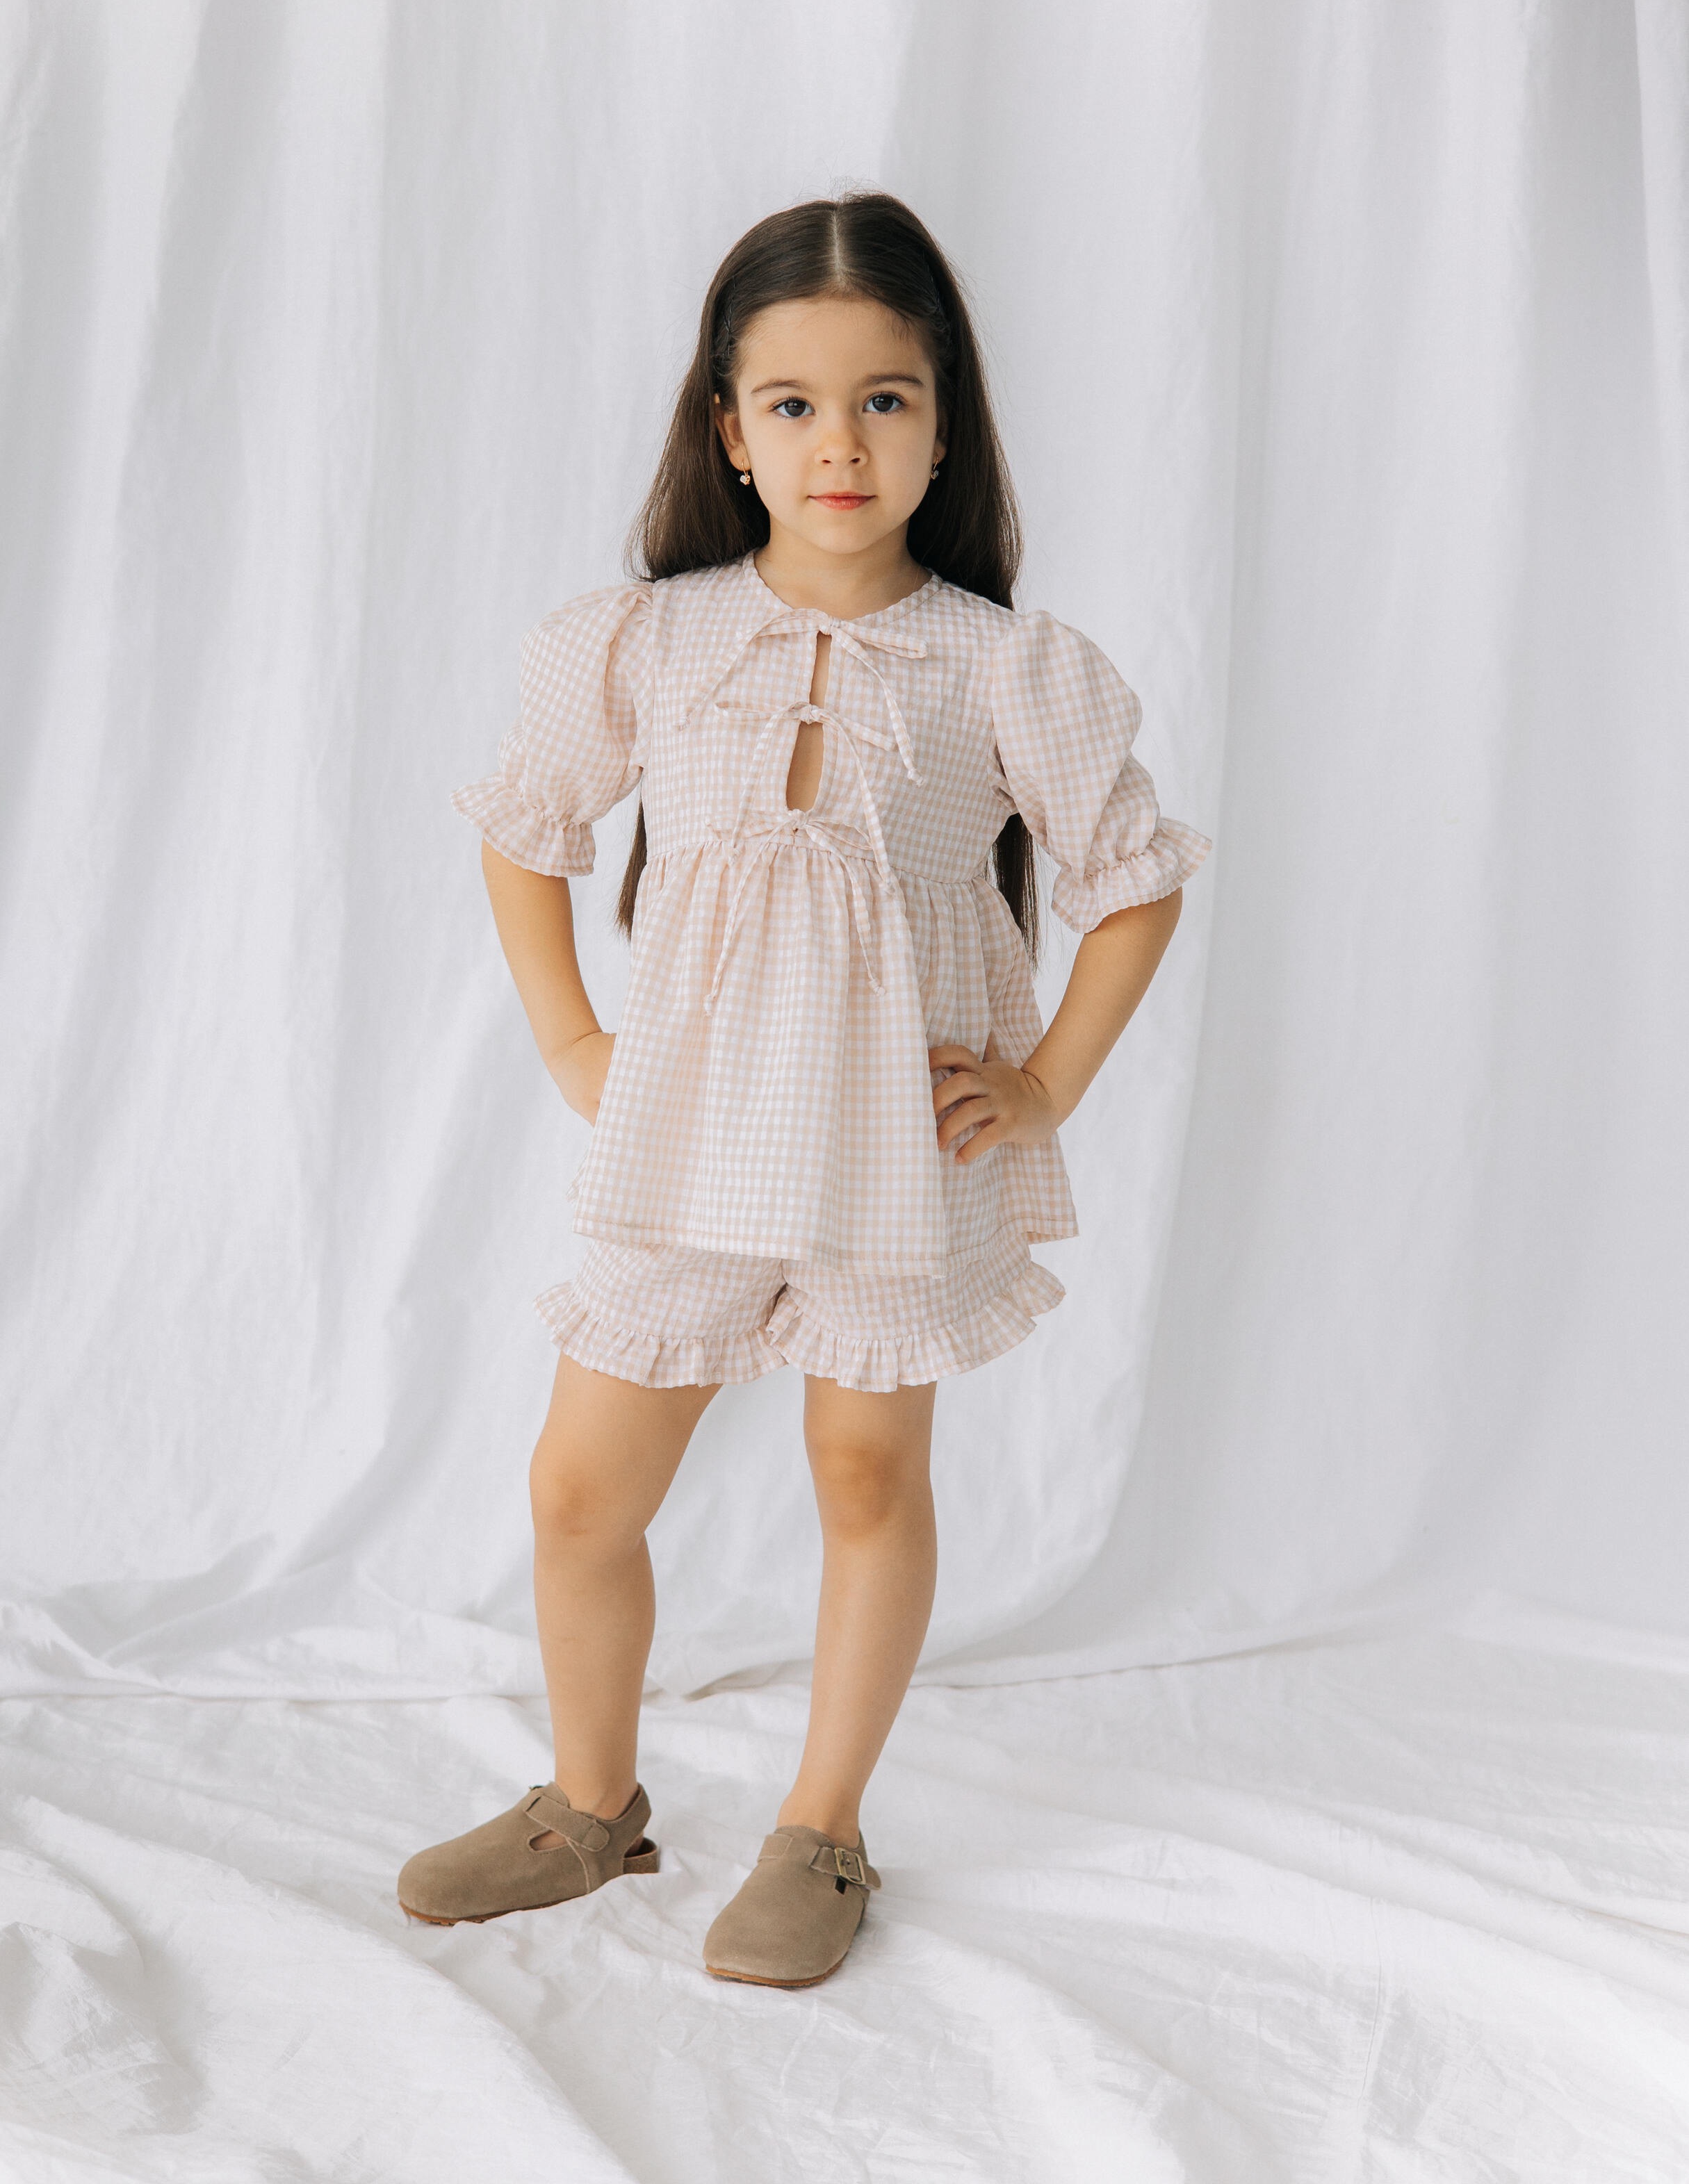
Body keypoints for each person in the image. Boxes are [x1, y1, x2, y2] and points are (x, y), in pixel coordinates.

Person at [398, 192, 1210, 1988]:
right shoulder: (643, 641)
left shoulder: (1010, 666)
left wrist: (1046, 1084)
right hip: (686, 1142)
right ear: (729, 431)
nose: (840, 444)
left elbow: (1134, 881)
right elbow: (526, 832)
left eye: (885, 401)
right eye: (793, 404)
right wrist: (575, 1043)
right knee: (579, 1488)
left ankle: (821, 1830)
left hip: (896, 1151)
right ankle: (588, 1805)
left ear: (946, 425)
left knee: (863, 1469)